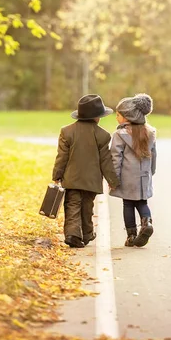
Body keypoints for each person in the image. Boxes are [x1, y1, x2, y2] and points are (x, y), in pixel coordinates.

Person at [52, 94, 120, 248]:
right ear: (97, 117)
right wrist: (113, 181)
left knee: (72, 206)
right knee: (87, 207)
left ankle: (72, 234)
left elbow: (61, 157)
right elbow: (106, 161)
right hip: (91, 180)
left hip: (71, 179)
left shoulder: (67, 131)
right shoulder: (102, 135)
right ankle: (87, 234)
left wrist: (57, 175)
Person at [110, 93, 157, 248]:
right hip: (144, 176)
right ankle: (147, 222)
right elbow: (153, 154)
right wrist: (151, 171)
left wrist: (113, 179)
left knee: (128, 204)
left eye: (118, 115)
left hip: (127, 177)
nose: (116, 118)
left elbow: (116, 158)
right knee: (142, 202)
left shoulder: (119, 135)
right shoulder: (149, 132)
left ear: (127, 117)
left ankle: (131, 236)